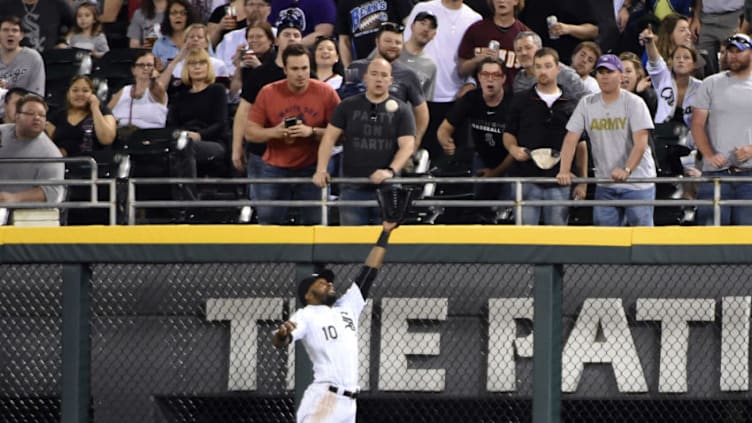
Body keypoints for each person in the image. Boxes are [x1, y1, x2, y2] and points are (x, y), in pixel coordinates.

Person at [271, 219, 398, 423]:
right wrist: (281, 335)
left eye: (329, 282)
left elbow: (369, 272)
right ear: (308, 295)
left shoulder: (347, 307)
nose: (329, 284)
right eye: (322, 282)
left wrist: (385, 233)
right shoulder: (307, 314)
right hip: (325, 397)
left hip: (349, 403)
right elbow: (281, 341)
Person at [557, 54, 657, 227]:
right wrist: (564, 170)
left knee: (642, 238)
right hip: (605, 184)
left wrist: (627, 169)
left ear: (620, 75)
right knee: (605, 240)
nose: (604, 76)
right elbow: (571, 139)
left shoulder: (635, 103)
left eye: (609, 72)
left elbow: (641, 143)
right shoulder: (586, 103)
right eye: (600, 72)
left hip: (638, 183)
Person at [313, 58, 416, 226]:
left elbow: (407, 145)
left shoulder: (402, 110)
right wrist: (321, 169)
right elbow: (329, 138)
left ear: (390, 81)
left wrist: (390, 171)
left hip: (388, 187)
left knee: (385, 241)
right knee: (352, 243)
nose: (379, 79)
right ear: (365, 78)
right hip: (352, 186)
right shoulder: (347, 106)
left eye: (384, 75)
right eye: (374, 74)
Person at [246, 43, 341, 225]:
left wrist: (311, 132)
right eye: (295, 69)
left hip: (312, 167)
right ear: (285, 69)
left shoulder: (326, 93)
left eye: (305, 68)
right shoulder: (268, 93)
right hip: (273, 168)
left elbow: (341, 134)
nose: (300, 74)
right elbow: (250, 133)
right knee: (268, 224)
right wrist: (276, 132)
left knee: (315, 224)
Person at [504, 48, 585, 225]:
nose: (543, 71)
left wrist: (582, 182)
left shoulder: (572, 103)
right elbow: (508, 133)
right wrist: (513, 148)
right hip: (525, 179)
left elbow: (581, 145)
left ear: (558, 69)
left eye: (548, 66)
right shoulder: (520, 100)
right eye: (538, 67)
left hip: (559, 181)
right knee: (525, 238)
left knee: (556, 239)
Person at [403, 0, 481, 161]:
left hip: (456, 99)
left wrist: (471, 81)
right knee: (415, 157)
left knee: (449, 161)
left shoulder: (474, 18)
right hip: (419, 99)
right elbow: (404, 49)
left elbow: (472, 58)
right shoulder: (423, 8)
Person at [437, 57, 514, 219]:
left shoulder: (513, 103)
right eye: (485, 74)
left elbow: (517, 149)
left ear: (504, 79)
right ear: (479, 78)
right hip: (482, 158)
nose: (490, 79)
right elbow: (444, 129)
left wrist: (494, 173)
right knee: (479, 209)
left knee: (507, 210)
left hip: (510, 162)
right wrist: (445, 140)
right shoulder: (471, 99)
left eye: (496, 75)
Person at [231, 17, 302, 190]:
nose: (291, 38)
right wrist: (236, 147)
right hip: (262, 152)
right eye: (287, 34)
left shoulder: (310, 75)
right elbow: (243, 111)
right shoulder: (259, 74)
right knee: (265, 212)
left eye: (296, 35)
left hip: (300, 155)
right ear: (277, 40)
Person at [691, 33, 752, 225]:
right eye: (731, 51)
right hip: (715, 173)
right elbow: (697, 124)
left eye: (739, 52)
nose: (733, 56)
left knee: (747, 238)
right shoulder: (711, 83)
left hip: (749, 174)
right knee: (710, 237)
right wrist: (709, 155)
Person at [347, 22, 429, 150]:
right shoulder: (355, 67)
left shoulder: (408, 75)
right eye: (388, 41)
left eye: (398, 42)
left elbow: (422, 113)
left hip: (392, 146)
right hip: (355, 144)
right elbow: (341, 103)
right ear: (377, 42)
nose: (393, 46)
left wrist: (414, 143)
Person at [167, 48, 229, 175]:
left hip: (213, 141)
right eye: (192, 64)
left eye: (202, 63)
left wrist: (200, 135)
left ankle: (187, 194)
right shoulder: (180, 96)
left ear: (208, 67)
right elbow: (173, 124)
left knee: (185, 147)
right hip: (184, 139)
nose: (197, 67)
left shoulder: (217, 90)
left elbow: (221, 123)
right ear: (187, 69)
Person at [0, 94, 64, 204]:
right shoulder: (2, 132)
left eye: (42, 115)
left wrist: (14, 198)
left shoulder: (51, 154)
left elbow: (53, 192)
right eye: (30, 113)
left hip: (24, 212)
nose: (37, 118)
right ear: (17, 116)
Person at [456, 0, 528, 88]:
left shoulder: (526, 37)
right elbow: (461, 70)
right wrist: (477, 60)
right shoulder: (476, 30)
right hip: (480, 96)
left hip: (513, 98)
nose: (501, 1)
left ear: (516, 1)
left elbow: (533, 73)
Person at [47, 75, 117, 158]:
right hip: (62, 162)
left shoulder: (103, 112)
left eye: (85, 91)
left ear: (92, 94)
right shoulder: (57, 115)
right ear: (68, 94)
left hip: (92, 164)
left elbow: (107, 139)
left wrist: (95, 108)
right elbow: (46, 143)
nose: (80, 94)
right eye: (75, 90)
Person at [513, 31, 588, 101]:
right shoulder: (519, 80)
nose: (523, 53)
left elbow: (588, 101)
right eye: (518, 50)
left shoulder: (564, 74)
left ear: (539, 49)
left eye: (528, 48)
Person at [335, 0, 412, 66]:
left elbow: (410, 27)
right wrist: (348, 68)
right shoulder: (345, 3)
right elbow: (344, 40)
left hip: (396, 61)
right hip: (365, 65)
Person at [108, 51, 168, 129]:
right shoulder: (124, 90)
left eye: (149, 65)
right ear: (133, 70)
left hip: (149, 136)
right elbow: (106, 113)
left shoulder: (158, 89)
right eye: (141, 65)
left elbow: (158, 87)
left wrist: (154, 79)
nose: (145, 68)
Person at [216, 1, 273, 74]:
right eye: (251, 4)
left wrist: (258, 67)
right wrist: (238, 65)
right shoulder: (230, 38)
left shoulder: (279, 34)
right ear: (244, 8)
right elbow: (219, 69)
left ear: (269, 10)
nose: (255, 9)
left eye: (260, 5)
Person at [690, 0, 744, 74]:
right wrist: (696, 18)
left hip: (733, 17)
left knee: (733, 59)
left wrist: (744, 23)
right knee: (703, 61)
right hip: (706, 19)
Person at [0, 0, 74, 52]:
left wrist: (65, 42)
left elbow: (75, 25)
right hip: (15, 59)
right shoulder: (4, 5)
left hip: (51, 59)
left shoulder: (58, 3)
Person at [0, 16, 45, 99]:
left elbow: (37, 95)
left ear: (21, 35)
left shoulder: (33, 58)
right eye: (5, 30)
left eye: (15, 30)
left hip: (22, 108)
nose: (10, 34)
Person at [397, 11, 438, 100]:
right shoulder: (391, 49)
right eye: (423, 23)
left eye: (431, 27)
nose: (426, 29)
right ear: (412, 26)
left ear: (434, 35)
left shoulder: (430, 67)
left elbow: (425, 101)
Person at [152, 0, 199, 69]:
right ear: (168, 17)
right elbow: (153, 70)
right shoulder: (159, 44)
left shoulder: (199, 40)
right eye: (174, 13)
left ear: (188, 17)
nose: (178, 16)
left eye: (182, 13)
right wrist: (158, 70)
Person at [268, 0, 336, 47]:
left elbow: (324, 32)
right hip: (276, 49)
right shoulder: (276, 2)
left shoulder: (322, 2)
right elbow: (268, 27)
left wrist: (294, 45)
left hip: (307, 52)